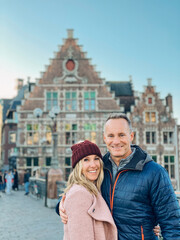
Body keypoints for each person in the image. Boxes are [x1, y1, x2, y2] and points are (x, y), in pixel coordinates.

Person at [58, 113, 180, 240]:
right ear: (104, 138)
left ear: (131, 136)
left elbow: (172, 223)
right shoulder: (98, 168)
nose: (116, 141)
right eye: (111, 136)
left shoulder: (155, 172)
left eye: (121, 135)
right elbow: (79, 192)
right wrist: (61, 206)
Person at [62, 140, 117, 240]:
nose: (93, 165)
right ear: (78, 166)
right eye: (86, 160)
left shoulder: (93, 188)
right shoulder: (79, 194)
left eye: (96, 159)